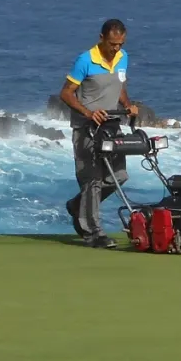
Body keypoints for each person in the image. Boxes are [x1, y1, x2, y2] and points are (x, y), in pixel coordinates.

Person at [59, 19, 140, 247]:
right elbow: (66, 93)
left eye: (120, 44)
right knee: (91, 181)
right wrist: (87, 113)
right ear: (102, 37)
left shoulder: (123, 58)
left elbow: (120, 86)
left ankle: (78, 206)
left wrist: (128, 106)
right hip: (87, 128)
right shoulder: (85, 60)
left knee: (120, 176)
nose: (116, 48)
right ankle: (93, 233)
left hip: (112, 126)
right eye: (113, 44)